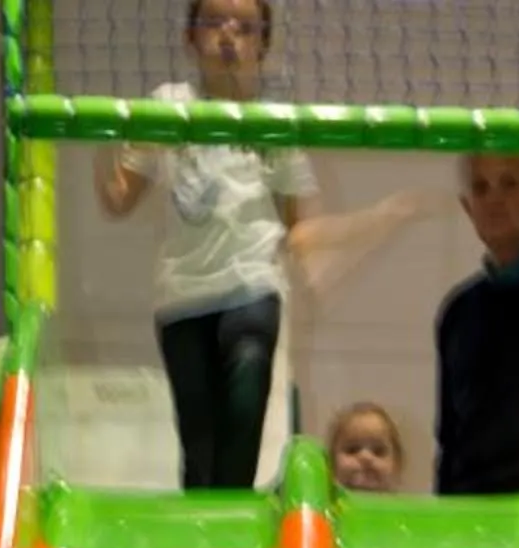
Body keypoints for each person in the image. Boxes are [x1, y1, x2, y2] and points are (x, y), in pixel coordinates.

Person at [96, 6, 426, 490]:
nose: (228, 36)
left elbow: (300, 230)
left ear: (262, 47)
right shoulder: (167, 105)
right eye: (214, 22)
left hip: (251, 289)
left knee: (244, 419)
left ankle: (236, 532)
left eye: (245, 28)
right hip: (182, 298)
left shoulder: (273, 122)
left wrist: (383, 218)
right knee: (198, 445)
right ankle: (204, 547)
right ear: (191, 37)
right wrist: (95, 142)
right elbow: (121, 197)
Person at [433, 154, 519, 497]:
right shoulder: (457, 312)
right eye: (480, 188)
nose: (494, 199)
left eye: (509, 183)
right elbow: (449, 438)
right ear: (467, 207)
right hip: (471, 518)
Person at [327, 399, 405, 493]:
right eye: (352, 450)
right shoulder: (321, 506)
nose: (366, 457)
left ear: (396, 465)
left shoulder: (401, 507)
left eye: (378, 452)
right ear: (331, 463)